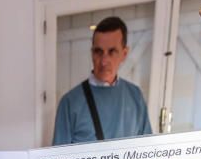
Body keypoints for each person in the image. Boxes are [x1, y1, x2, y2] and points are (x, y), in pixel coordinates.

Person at [52, 16, 152, 145]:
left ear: (124, 54)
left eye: (112, 51)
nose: (104, 61)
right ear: (92, 53)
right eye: (98, 51)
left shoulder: (135, 96)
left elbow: (148, 151)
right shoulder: (69, 103)